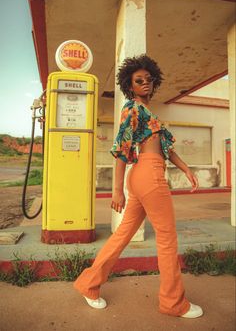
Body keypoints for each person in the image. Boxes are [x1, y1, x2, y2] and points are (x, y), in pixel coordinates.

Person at [73, 54, 203, 318]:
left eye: (148, 79)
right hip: (148, 175)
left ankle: (88, 284)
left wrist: (187, 168)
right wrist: (116, 189)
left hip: (145, 173)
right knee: (167, 239)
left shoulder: (147, 112)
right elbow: (121, 149)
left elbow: (166, 148)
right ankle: (173, 303)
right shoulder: (132, 108)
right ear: (129, 85)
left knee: (122, 234)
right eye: (138, 80)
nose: (145, 83)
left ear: (154, 83)